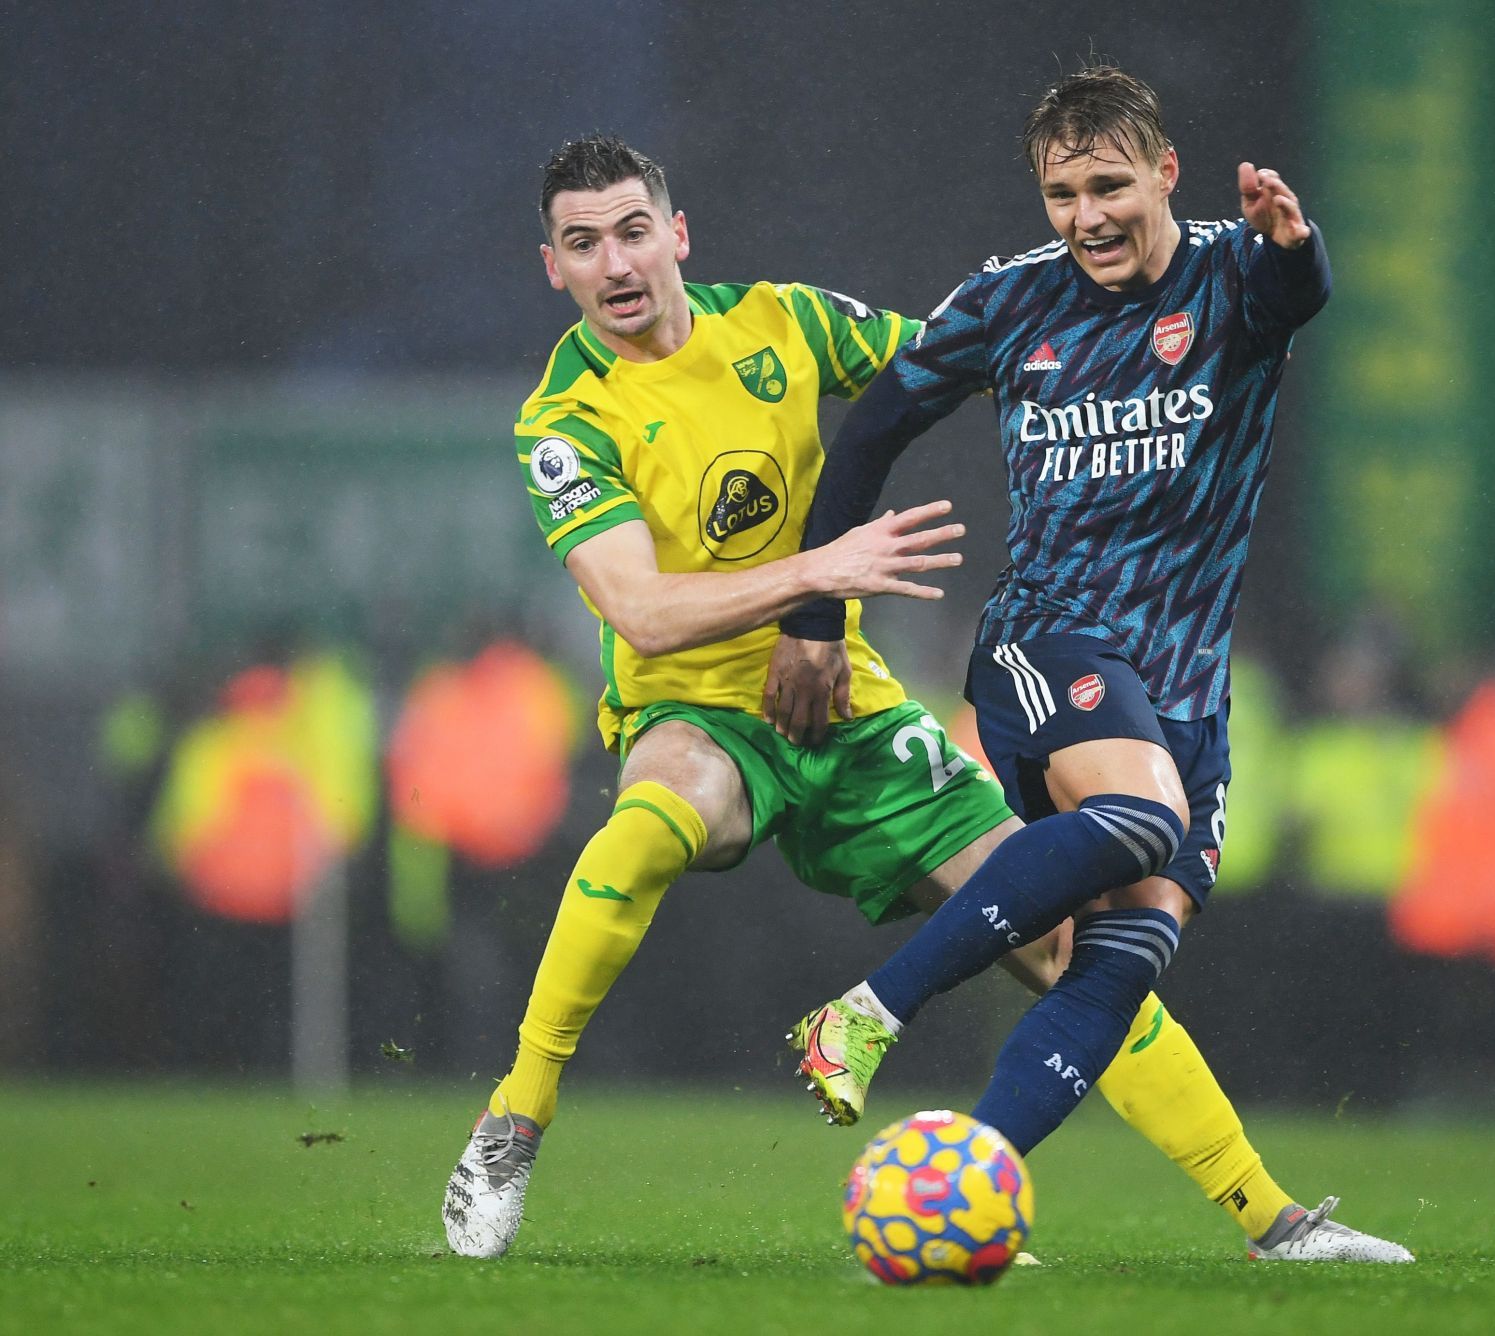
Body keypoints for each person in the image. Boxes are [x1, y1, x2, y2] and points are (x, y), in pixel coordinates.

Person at [441, 133, 1397, 1265]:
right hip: (698, 714)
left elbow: (963, 355)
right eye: (583, 244)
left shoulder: (787, 323)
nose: (616, 264)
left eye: (633, 231)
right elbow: (641, 614)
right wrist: (816, 576)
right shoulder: (564, 417)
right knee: (649, 823)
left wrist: (1167, 336)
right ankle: (514, 1117)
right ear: (551, 264)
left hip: (855, 715)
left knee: (1075, 945)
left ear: (678, 234)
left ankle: (1270, 1220)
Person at [774, 67, 1409, 1262]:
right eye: (1062, 192)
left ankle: (971, 1189)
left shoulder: (1232, 274)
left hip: (1183, 688)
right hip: (1044, 643)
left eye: (1109, 184)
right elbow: (868, 433)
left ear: (1167, 172)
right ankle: (867, 1010)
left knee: (1114, 965)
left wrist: (1297, 241)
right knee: (1139, 817)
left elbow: (1294, 288)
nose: (1087, 216)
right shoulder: (1009, 302)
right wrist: (814, 609)